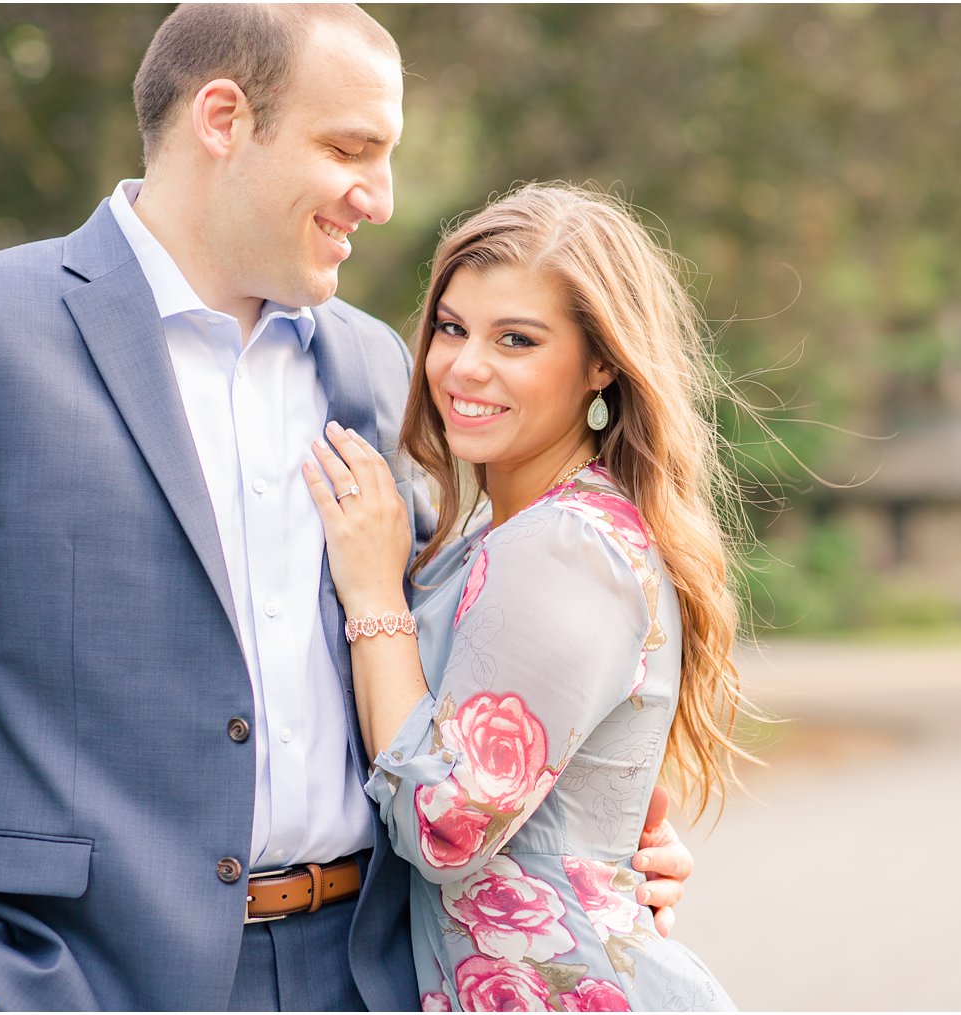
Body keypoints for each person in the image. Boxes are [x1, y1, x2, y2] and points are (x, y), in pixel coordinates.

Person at [0, 7, 691, 1012]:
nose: (381, 196)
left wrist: (588, 844)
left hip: (364, 973)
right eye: (351, 148)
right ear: (222, 118)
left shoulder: (375, 364)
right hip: (81, 979)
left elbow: (451, 677)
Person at [304, 183, 745, 1010]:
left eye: (517, 339)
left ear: (601, 362)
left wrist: (372, 591)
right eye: (451, 327)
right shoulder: (500, 532)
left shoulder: (568, 546)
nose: (466, 367)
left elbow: (445, 826)